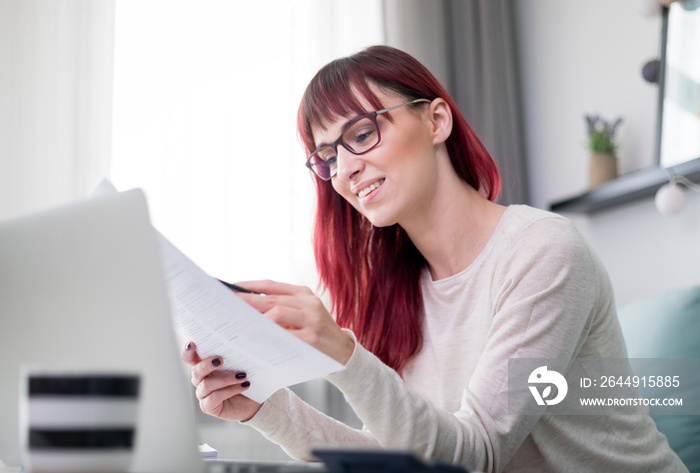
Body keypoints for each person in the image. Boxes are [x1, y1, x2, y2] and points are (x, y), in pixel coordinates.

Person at [182, 45, 687, 472]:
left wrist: (342, 353)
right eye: (328, 157)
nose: (346, 169)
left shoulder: (542, 252)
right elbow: (407, 458)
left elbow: (474, 457)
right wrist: (266, 410)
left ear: (436, 121)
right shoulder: (398, 290)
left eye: (360, 134)